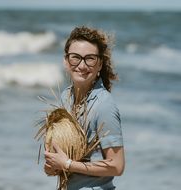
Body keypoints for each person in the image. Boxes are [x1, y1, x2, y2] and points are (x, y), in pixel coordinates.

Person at [44, 26, 125, 190]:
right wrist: (52, 167)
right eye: (75, 58)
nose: (82, 65)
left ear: (100, 64)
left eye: (90, 58)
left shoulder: (104, 105)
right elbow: (64, 159)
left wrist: (67, 164)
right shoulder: (65, 97)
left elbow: (117, 166)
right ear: (66, 61)